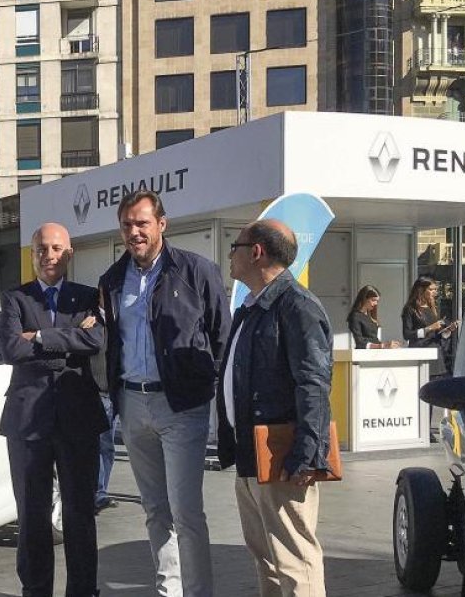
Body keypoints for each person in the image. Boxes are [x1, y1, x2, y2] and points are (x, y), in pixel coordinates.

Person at [97, 190, 230, 597]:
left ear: (161, 224)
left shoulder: (197, 272)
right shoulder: (112, 279)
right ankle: (167, 591)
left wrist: (213, 395)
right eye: (127, 225)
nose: (134, 232)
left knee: (186, 512)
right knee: (155, 511)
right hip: (133, 407)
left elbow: (221, 337)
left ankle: (198, 592)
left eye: (141, 223)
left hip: (182, 407)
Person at [218, 219, 333, 597]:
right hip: (252, 454)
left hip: (283, 459)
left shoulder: (297, 306)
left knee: (295, 559)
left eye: (235, 246)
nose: (229, 255)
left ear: (256, 252)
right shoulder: (251, 308)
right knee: (265, 556)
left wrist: (306, 455)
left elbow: (314, 384)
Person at [0, 222, 105, 597]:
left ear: (69, 254)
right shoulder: (15, 298)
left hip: (78, 419)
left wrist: (39, 338)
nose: (49, 255)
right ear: (32, 254)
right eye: (42, 248)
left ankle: (82, 591)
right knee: (32, 517)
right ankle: (36, 591)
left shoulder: (89, 297)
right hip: (28, 423)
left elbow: (93, 341)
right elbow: (11, 350)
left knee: (79, 516)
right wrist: (68, 345)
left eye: (57, 248)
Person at [401, 277, 458, 376]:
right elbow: (407, 334)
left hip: (436, 354)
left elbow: (437, 335)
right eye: (431, 289)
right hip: (420, 354)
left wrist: (448, 330)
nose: (434, 292)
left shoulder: (432, 308)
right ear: (421, 290)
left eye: (435, 289)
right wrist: (429, 328)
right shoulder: (410, 309)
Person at [347, 285, 402, 350]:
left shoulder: (370, 316)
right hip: (363, 355)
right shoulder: (355, 316)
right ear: (364, 299)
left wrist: (388, 345)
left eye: (377, 301)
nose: (376, 303)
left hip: (374, 354)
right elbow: (360, 343)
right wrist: (382, 346)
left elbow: (374, 339)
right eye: (373, 300)